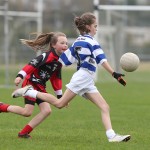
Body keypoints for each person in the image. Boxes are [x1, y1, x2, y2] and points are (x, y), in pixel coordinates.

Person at [12, 12, 131, 142]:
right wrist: (114, 74)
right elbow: (101, 60)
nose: (97, 28)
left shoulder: (77, 42)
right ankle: (30, 91)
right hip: (83, 77)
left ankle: (111, 136)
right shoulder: (91, 42)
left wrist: (50, 67)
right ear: (88, 27)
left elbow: (64, 60)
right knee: (59, 103)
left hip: (86, 79)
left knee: (104, 107)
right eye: (95, 26)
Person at [0, 32, 68, 138]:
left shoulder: (59, 61)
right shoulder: (46, 56)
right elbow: (31, 65)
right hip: (30, 84)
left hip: (40, 86)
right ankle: (2, 107)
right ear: (53, 45)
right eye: (62, 43)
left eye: (66, 43)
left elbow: (56, 78)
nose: (65, 45)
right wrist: (20, 76)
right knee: (27, 112)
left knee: (46, 111)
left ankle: (23, 133)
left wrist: (60, 95)